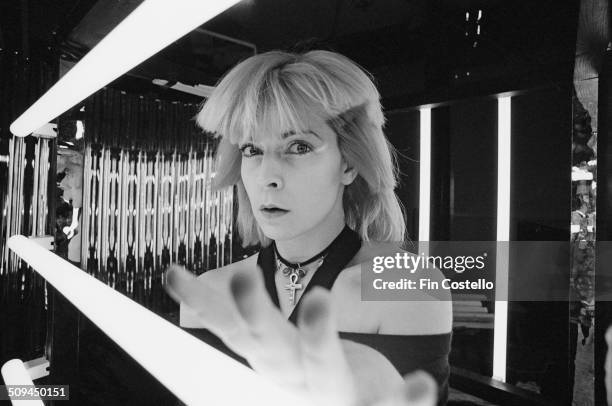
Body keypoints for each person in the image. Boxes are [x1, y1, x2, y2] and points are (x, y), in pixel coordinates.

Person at [166, 49, 453, 406]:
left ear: (348, 164)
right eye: (252, 149)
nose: (268, 177)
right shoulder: (211, 292)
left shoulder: (407, 287)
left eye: (298, 146)